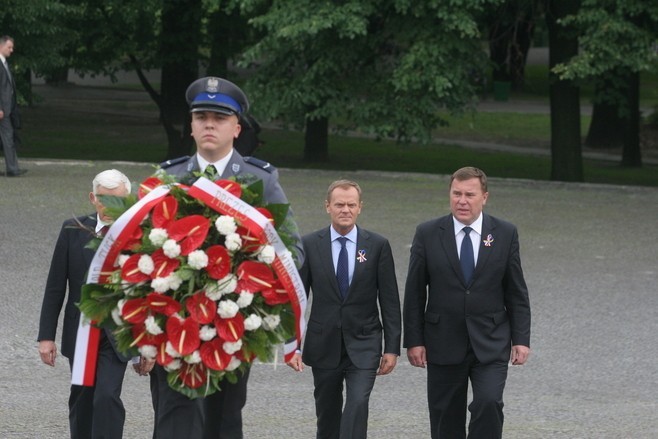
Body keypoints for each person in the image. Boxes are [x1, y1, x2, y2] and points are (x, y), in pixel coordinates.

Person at [153, 76, 303, 439]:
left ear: (236, 128)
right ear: (190, 126)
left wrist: (247, 287)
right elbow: (141, 248)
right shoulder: (168, 176)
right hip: (175, 322)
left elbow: (292, 251)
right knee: (173, 416)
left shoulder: (260, 180)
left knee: (222, 421)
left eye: (219, 118)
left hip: (231, 326)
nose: (208, 124)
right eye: (201, 116)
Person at [403, 166, 531, 439]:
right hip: (443, 339)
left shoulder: (505, 233)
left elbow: (516, 290)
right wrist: (414, 340)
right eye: (456, 193)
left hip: (491, 339)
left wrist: (521, 338)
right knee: (445, 414)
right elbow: (414, 292)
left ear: (484, 197)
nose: (462, 200)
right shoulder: (427, 233)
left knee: (489, 402)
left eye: (469, 194)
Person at [37, 169, 152, 439]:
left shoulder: (141, 235)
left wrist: (148, 344)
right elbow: (55, 287)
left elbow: (148, 294)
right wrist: (46, 337)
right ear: (92, 198)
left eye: (117, 200)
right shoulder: (71, 229)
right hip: (81, 332)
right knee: (83, 398)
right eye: (103, 198)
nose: (110, 206)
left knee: (106, 396)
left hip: (119, 334)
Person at [287, 179, 402, 439]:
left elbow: (390, 300)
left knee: (357, 404)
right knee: (327, 414)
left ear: (360, 207)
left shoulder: (377, 245)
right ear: (328, 206)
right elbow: (298, 299)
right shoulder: (309, 244)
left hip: (365, 342)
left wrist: (392, 348)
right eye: (339, 204)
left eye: (351, 205)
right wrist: (292, 344)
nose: (345, 210)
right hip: (323, 342)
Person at [0, 35, 25, 177]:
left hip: (6, 109)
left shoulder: (4, 63)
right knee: (8, 137)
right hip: (2, 110)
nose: (12, 50)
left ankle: (12, 168)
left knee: (9, 137)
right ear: (1, 46)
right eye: (9, 47)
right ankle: (12, 169)